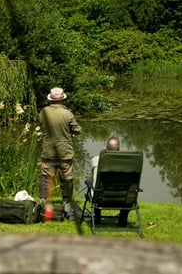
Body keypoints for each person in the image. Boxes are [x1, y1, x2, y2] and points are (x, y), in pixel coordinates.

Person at [38, 87, 81, 220]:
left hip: (48, 153)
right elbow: (78, 130)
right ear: (63, 99)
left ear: (50, 99)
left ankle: (43, 204)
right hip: (64, 153)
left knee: (46, 178)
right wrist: (70, 133)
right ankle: (67, 203)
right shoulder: (67, 114)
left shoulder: (43, 112)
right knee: (66, 179)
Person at [90, 136, 129, 226]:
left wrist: (105, 152)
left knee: (95, 187)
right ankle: (122, 220)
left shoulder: (96, 160)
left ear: (105, 148)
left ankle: (98, 218)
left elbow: (94, 179)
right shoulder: (128, 162)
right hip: (123, 199)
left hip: (100, 199)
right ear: (119, 149)